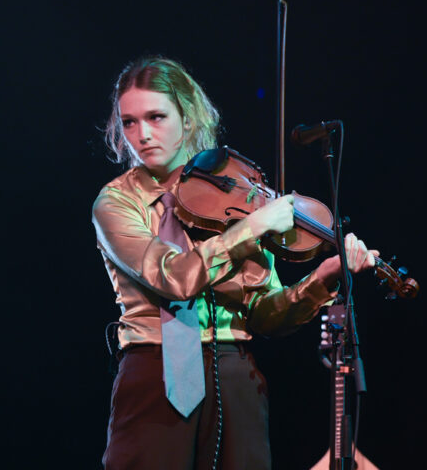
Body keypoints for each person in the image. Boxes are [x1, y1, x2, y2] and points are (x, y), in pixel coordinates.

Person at [92, 56, 378, 470]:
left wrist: (322, 278)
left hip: (235, 371)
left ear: (187, 118)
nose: (143, 134)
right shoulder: (116, 202)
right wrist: (251, 229)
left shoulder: (236, 195)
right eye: (130, 122)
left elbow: (265, 314)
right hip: (154, 371)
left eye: (156, 117)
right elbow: (173, 278)